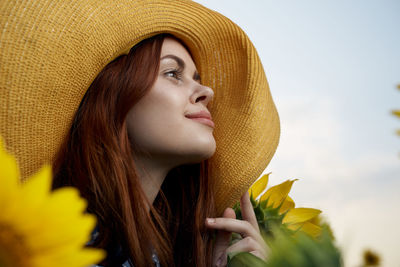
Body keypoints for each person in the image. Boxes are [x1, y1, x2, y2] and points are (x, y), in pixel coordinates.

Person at [0, 1, 280, 266]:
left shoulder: (163, 252)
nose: (207, 92)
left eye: (198, 79)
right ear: (114, 98)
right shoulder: (53, 248)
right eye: (172, 74)